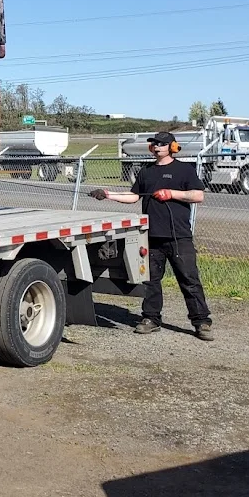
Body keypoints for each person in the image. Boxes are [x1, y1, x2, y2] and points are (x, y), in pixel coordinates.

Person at [89, 131, 214, 341]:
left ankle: (201, 321)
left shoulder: (184, 170)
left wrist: (172, 193)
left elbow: (198, 195)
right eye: (154, 144)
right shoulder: (146, 172)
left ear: (172, 147)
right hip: (152, 235)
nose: (157, 147)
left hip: (178, 237)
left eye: (162, 144)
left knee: (189, 280)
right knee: (151, 281)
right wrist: (108, 195)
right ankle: (151, 319)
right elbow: (134, 196)